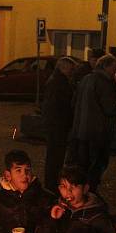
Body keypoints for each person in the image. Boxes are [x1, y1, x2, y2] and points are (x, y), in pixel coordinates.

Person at [67, 54, 116, 192]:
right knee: (96, 165)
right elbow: (110, 109)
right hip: (98, 132)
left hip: (81, 131)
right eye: (114, 69)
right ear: (105, 67)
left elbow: (74, 102)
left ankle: (80, 190)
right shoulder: (105, 82)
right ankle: (90, 192)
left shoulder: (86, 79)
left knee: (83, 164)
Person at [42, 57, 76, 191]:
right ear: (63, 68)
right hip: (57, 126)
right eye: (71, 69)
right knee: (55, 157)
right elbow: (58, 106)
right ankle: (51, 184)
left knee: (55, 156)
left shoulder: (58, 81)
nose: (72, 72)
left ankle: (52, 182)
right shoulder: (58, 82)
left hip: (56, 125)